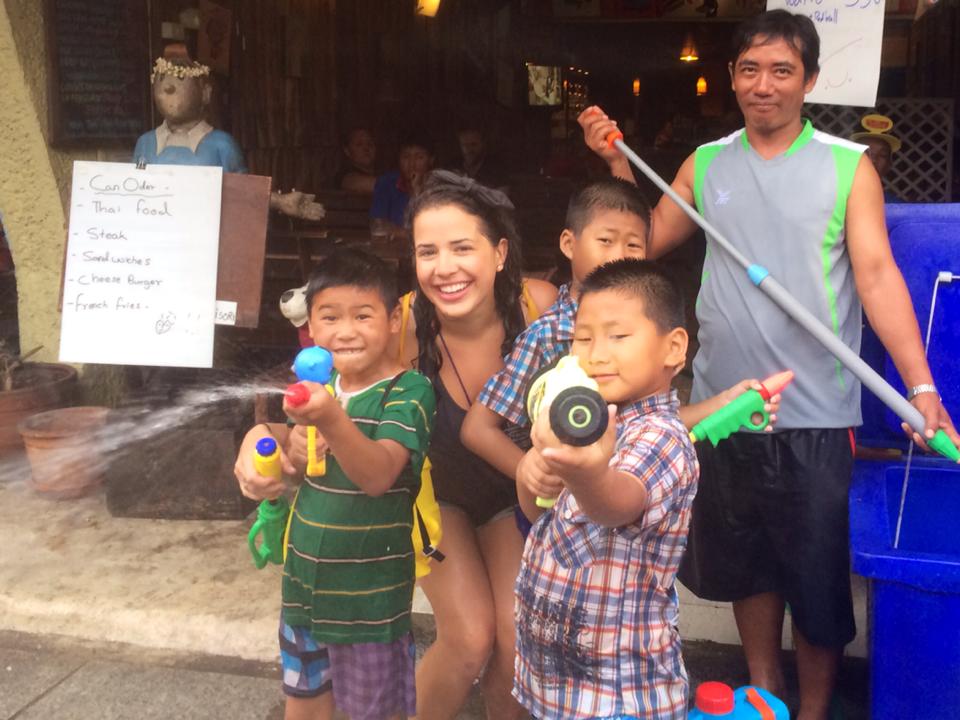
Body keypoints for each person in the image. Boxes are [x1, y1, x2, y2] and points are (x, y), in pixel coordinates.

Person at [579, 10, 959, 720]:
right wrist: (614, 162)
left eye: (782, 70)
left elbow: (876, 277)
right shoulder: (706, 163)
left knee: (814, 578)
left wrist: (922, 384)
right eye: (750, 70)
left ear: (809, 81)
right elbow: (644, 243)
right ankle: (763, 699)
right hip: (725, 406)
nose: (764, 85)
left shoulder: (849, 168)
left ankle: (812, 711)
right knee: (748, 566)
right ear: (731, 78)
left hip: (817, 411)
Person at [462, 177, 779, 500]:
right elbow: (477, 429)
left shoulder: (643, 333)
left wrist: (725, 404)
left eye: (633, 245)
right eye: (605, 240)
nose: (620, 255)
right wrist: (530, 472)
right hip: (559, 514)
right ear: (569, 244)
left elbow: (655, 420)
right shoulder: (548, 335)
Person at [233, 248, 436, 720]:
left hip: (368, 604)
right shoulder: (316, 389)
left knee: (372, 711)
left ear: (392, 320)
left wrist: (329, 418)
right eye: (329, 317)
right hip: (304, 589)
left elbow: (379, 474)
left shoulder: (408, 392)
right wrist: (264, 440)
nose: (345, 331)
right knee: (303, 702)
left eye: (363, 316)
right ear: (311, 331)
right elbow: (291, 446)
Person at [394, 170, 557, 720]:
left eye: (463, 247)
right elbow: (334, 393)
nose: (445, 268)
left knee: (516, 642)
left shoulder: (539, 307)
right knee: (468, 639)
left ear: (500, 253)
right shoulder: (402, 326)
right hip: (436, 502)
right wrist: (265, 437)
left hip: (512, 496)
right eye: (427, 251)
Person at [513, 258, 699, 719]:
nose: (595, 354)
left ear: (673, 348)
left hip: (620, 694)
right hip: (557, 682)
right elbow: (543, 520)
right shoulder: (578, 426)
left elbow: (618, 504)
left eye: (618, 337)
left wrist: (586, 473)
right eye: (582, 338)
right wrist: (528, 475)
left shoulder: (662, 436)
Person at [370, 135, 436, 237]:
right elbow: (379, 224)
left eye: (419, 157)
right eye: (406, 157)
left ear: (431, 160)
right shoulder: (387, 183)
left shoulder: (440, 187)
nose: (412, 164)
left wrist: (417, 192)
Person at [850, 114, 903, 203]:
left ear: (889, 164)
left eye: (882, 154)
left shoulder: (896, 206)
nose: (873, 160)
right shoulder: (830, 198)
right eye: (866, 152)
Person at [333, 127, 378, 194]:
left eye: (370, 144)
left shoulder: (381, 173)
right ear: (347, 151)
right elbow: (356, 183)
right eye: (359, 144)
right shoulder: (344, 175)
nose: (366, 149)